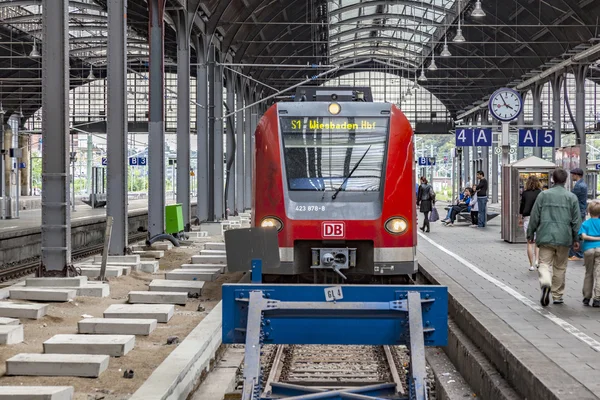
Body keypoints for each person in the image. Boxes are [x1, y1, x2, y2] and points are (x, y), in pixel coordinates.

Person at [527, 168, 581, 307]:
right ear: (566, 180)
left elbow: (534, 216)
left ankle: (546, 282)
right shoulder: (571, 197)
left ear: (553, 179)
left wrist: (530, 233)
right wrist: (577, 239)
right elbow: (576, 221)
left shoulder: (543, 195)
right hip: (564, 237)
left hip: (545, 235)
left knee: (544, 264)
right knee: (560, 267)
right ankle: (557, 296)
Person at [579, 200, 600, 307]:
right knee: (599, 274)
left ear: (588, 212)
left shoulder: (585, 223)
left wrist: (591, 238)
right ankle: (597, 299)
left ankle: (587, 297)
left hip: (588, 250)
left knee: (588, 273)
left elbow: (583, 237)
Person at [520, 175, 542, 271]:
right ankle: (537, 262)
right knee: (537, 242)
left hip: (527, 218)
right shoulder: (540, 193)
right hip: (538, 218)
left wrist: (520, 217)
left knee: (530, 242)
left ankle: (531, 265)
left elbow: (522, 206)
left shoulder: (525, 193)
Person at [569, 168, 588, 261]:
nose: (572, 176)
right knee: (578, 231)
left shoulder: (579, 186)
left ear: (576, 175)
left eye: (572, 174)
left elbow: (571, 197)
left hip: (579, 212)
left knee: (578, 232)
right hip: (581, 211)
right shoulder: (582, 184)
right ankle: (575, 253)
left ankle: (579, 254)